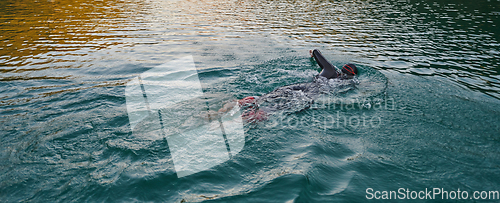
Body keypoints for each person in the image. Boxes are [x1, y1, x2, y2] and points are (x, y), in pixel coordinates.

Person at [214, 49, 358, 123]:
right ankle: (234, 123)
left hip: (300, 86)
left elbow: (316, 52)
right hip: (310, 94)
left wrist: (312, 55)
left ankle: (225, 109)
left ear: (341, 69)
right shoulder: (347, 83)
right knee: (273, 109)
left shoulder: (330, 69)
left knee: (264, 97)